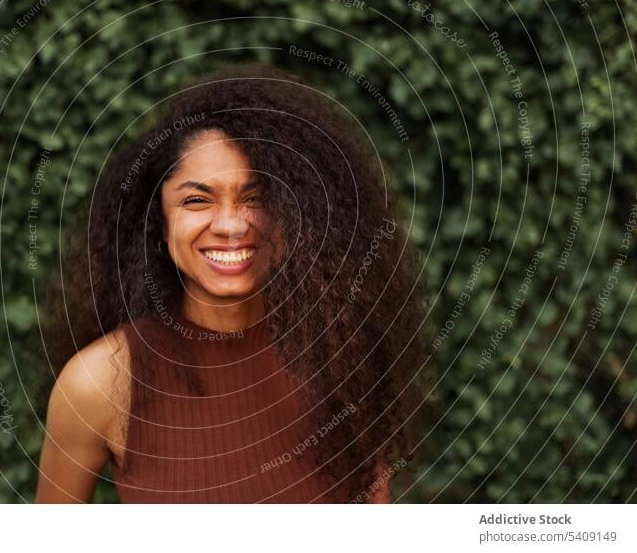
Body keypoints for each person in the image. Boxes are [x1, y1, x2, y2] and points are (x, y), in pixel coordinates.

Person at [35, 63, 430, 503]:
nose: (230, 224)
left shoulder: (345, 360)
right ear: (159, 227)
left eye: (256, 198)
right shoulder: (99, 383)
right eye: (197, 200)